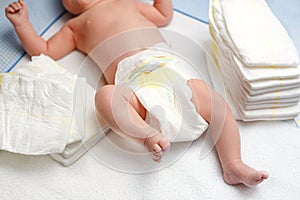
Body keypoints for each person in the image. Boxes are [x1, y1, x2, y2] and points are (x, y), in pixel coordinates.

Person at [5, 0, 268, 187]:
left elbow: (162, 15)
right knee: (105, 97)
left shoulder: (128, 3)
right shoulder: (75, 27)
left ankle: (233, 164)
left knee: (215, 101)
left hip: (171, 75)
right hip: (133, 92)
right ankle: (147, 136)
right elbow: (45, 50)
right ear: (66, 6)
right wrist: (22, 25)